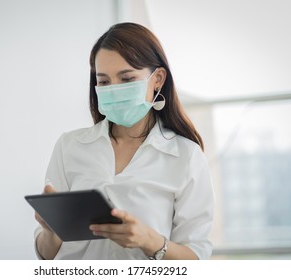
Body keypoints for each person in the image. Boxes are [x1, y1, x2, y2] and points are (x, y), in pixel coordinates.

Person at [34, 22, 214, 260]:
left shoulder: (186, 156)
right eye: (104, 82)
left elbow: (196, 258)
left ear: (157, 79)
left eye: (127, 79)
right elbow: (47, 256)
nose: (114, 90)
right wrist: (51, 232)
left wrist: (148, 240)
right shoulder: (69, 146)